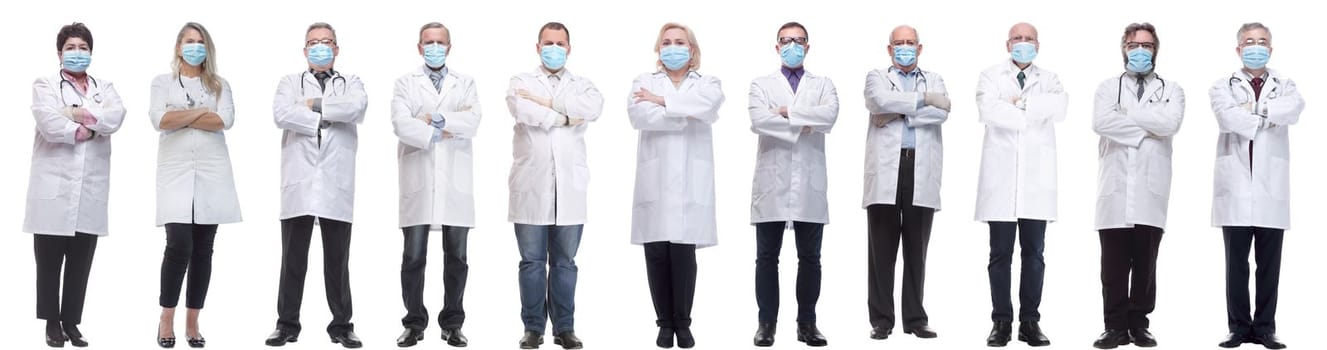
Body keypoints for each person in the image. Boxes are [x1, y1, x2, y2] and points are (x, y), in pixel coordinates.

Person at [265, 22, 368, 349]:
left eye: (326, 42)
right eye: (313, 42)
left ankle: (342, 326)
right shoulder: (289, 82)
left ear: (337, 49)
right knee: (292, 259)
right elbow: (281, 114)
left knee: (338, 261)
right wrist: (326, 115)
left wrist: (312, 106)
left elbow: (356, 108)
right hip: (300, 183)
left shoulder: (351, 82)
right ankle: (286, 325)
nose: (320, 47)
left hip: (336, 183)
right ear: (304, 49)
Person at [26, 21, 126, 349]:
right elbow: (49, 123)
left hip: (90, 189)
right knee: (50, 260)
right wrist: (89, 124)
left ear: (91, 52)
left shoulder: (105, 87)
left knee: (81, 260)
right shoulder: (45, 84)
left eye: (83, 47)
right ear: (59, 53)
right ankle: (52, 323)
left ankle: (71, 321)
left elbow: (116, 117)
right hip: (53, 189)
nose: (77, 53)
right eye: (71, 47)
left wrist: (74, 113)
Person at [506, 21, 603, 350]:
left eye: (560, 43)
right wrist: (564, 116)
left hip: (571, 188)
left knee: (565, 263)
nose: (554, 48)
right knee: (532, 263)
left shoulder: (583, 85)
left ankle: (565, 328)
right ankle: (533, 328)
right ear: (537, 47)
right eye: (548, 42)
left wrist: (546, 105)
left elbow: (594, 108)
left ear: (569, 48)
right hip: (531, 185)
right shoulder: (521, 82)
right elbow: (523, 109)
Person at [628, 22, 724, 350]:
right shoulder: (644, 82)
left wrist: (662, 102)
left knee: (683, 255)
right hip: (654, 182)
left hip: (690, 183)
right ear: (658, 50)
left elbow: (709, 108)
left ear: (692, 50)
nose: (673, 47)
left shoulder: (708, 82)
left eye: (679, 42)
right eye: (666, 42)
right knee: (656, 254)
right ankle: (663, 324)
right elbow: (640, 117)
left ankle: (682, 323)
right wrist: (683, 110)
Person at [1090, 22, 1185, 350]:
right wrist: (1148, 123)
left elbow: (1170, 123)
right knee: (1113, 267)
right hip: (1114, 192)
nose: (1140, 51)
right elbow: (1100, 122)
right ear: (1124, 49)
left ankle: (1139, 325)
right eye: (1133, 45)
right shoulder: (1107, 88)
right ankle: (1113, 327)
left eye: (1146, 45)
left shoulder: (1172, 89)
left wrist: (1127, 116)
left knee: (1146, 265)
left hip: (1150, 190)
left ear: (1155, 49)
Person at [149, 21, 242, 349]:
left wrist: (183, 113)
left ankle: (193, 320)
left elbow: (225, 120)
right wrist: (202, 113)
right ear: (178, 47)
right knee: (178, 246)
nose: (194, 47)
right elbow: (159, 119)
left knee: (203, 249)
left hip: (212, 173)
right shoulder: (162, 83)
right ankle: (166, 316)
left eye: (200, 42)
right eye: (189, 41)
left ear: (208, 48)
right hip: (175, 174)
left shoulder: (219, 84)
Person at [1210, 22, 1302, 350]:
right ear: (1238, 49)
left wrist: (1253, 109)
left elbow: (1293, 110)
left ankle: (1264, 329)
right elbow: (1227, 119)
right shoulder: (1223, 86)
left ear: (1271, 49)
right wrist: (1267, 117)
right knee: (1236, 266)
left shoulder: (1285, 85)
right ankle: (1238, 328)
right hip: (1234, 190)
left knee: (1268, 266)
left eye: (1262, 41)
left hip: (1270, 191)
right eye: (1249, 41)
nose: (1256, 46)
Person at [389, 22, 482, 348]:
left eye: (440, 42)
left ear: (449, 47)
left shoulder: (466, 83)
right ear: (419, 47)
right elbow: (401, 123)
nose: (434, 47)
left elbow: (473, 122)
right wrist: (445, 126)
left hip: (455, 184)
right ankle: (414, 323)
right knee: (413, 258)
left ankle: (452, 323)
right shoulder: (404, 83)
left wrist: (433, 119)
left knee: (457, 258)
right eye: (428, 42)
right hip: (418, 178)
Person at [974, 22, 1066, 348]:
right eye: (1017, 38)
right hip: (1000, 181)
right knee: (999, 254)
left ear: (1038, 44)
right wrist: (1031, 111)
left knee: (1035, 254)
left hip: (1036, 183)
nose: (1022, 43)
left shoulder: (1050, 79)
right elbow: (988, 109)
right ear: (1007, 43)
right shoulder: (989, 76)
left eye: (1028, 39)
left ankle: (1030, 322)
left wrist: (1016, 104)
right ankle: (1001, 322)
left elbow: (1060, 107)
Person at [747, 21, 838, 348]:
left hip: (809, 184)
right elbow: (759, 121)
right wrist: (805, 122)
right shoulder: (761, 84)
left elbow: (829, 117)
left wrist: (787, 113)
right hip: (772, 184)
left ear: (808, 46)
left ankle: (807, 324)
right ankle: (766, 324)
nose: (792, 46)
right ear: (776, 46)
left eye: (799, 41)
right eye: (786, 41)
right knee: (766, 257)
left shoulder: (823, 84)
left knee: (810, 258)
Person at [862, 24, 950, 342]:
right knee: (881, 249)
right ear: (889, 49)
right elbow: (876, 101)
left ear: (920, 48)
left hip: (919, 167)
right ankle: (882, 320)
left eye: (910, 43)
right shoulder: (876, 77)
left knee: (917, 248)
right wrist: (925, 101)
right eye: (898, 43)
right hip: (886, 168)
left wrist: (897, 111)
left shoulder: (935, 79)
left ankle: (915, 318)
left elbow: (943, 113)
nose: (904, 47)